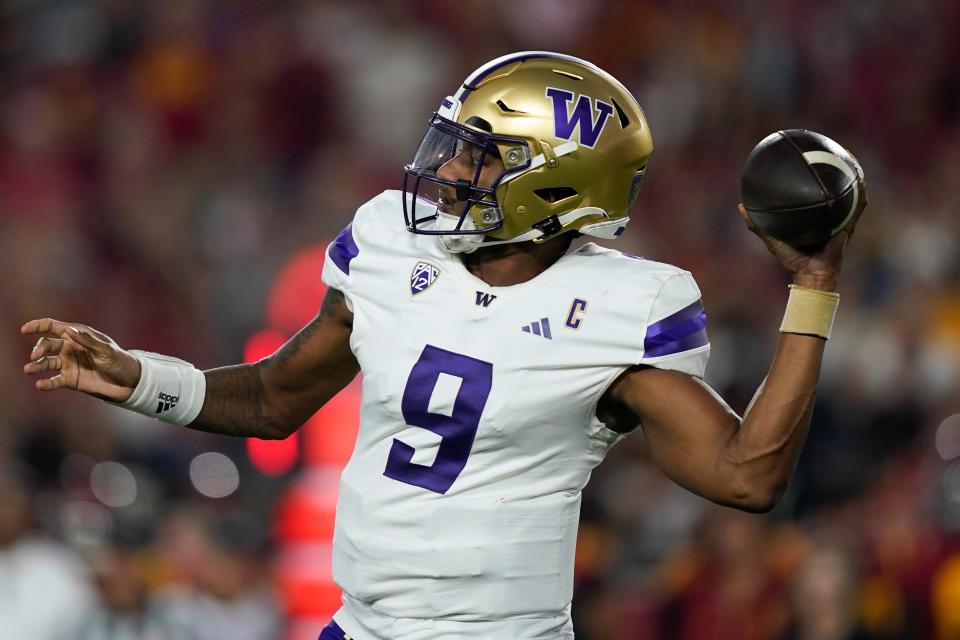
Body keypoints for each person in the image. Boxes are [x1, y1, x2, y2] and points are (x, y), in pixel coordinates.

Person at [21, 51, 866, 639]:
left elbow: (747, 474)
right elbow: (278, 398)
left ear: (556, 185)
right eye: (454, 147)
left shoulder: (618, 307)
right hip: (358, 629)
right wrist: (138, 379)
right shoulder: (393, 246)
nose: (448, 172)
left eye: (480, 159)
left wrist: (813, 283)